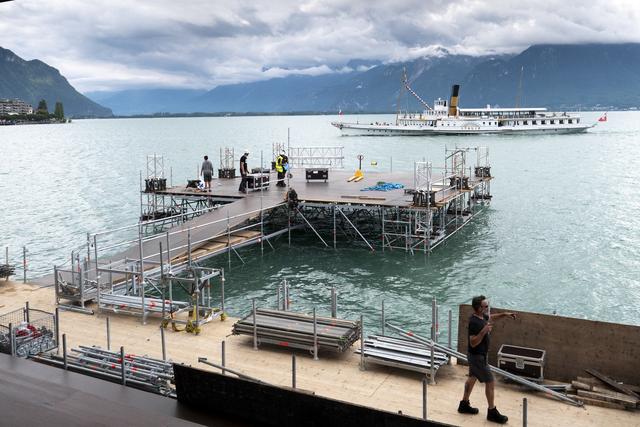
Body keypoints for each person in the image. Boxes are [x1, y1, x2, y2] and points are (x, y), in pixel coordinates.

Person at [458, 295, 516, 424]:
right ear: (478, 308)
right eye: (485, 306)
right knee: (490, 382)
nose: (487, 308)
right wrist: (484, 331)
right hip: (477, 357)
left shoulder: (482, 316)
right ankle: (492, 411)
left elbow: (491, 317)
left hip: (478, 356)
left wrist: (505, 314)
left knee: (472, 378)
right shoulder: (474, 322)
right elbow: (472, 342)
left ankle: (464, 404)